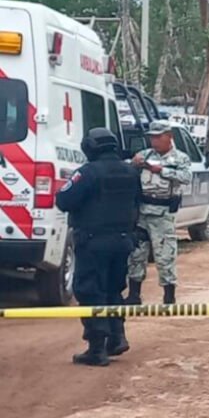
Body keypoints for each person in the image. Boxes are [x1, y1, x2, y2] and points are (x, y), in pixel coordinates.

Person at [55, 128, 142, 366]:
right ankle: (117, 337)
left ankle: (96, 349)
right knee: (114, 289)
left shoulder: (88, 173)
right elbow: (138, 203)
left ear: (90, 147)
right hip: (123, 240)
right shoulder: (130, 172)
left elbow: (63, 200)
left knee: (90, 291)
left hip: (94, 242)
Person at [127, 120, 191, 305]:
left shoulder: (180, 158)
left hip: (163, 212)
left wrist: (162, 170)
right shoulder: (144, 155)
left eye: (158, 137)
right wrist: (134, 164)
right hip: (141, 212)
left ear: (169, 136)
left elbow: (186, 177)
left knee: (165, 255)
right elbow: (129, 171)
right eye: (151, 137)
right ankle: (134, 295)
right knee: (136, 254)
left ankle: (169, 297)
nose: (154, 141)